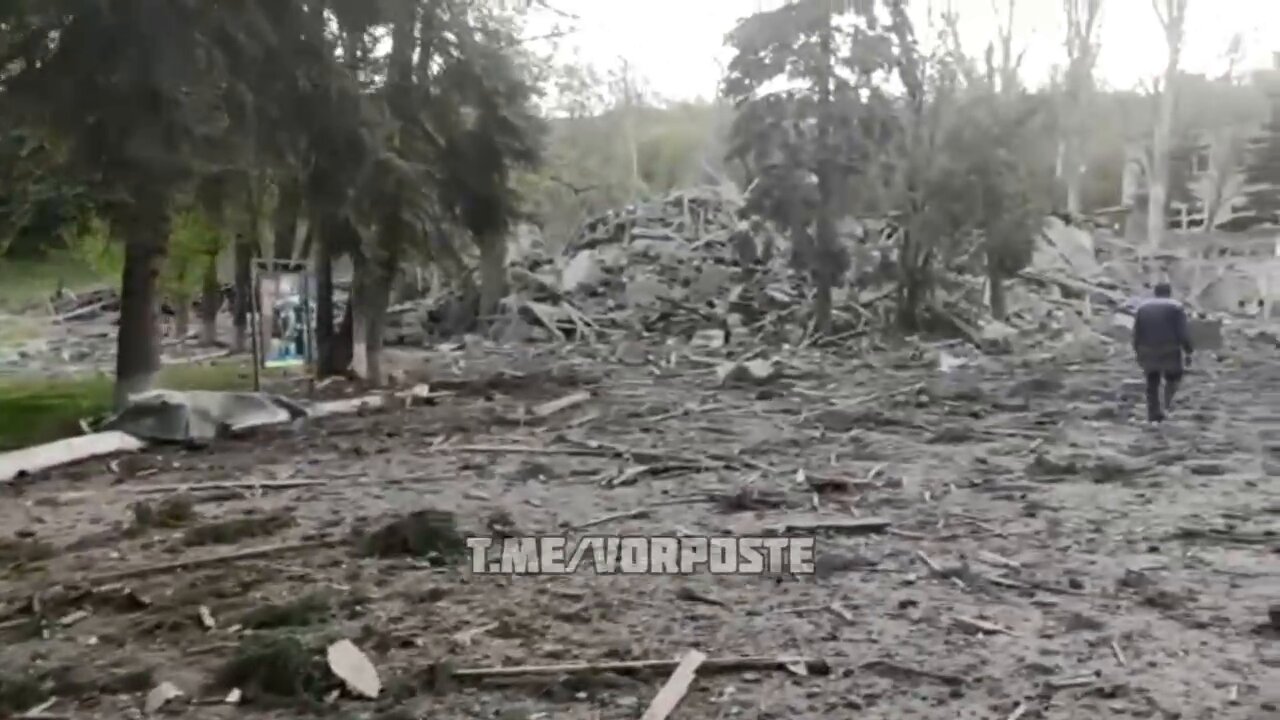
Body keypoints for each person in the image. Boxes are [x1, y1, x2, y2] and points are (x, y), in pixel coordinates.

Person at [1132, 282, 1193, 423]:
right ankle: (1167, 405)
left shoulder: (1143, 308)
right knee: (1173, 377)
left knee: (1152, 381)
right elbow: (1182, 332)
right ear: (1169, 292)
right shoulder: (1176, 307)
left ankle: (1153, 414)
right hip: (1170, 349)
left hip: (1147, 349)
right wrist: (1188, 350)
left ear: (1155, 292)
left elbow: (1137, 332)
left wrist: (1137, 350)